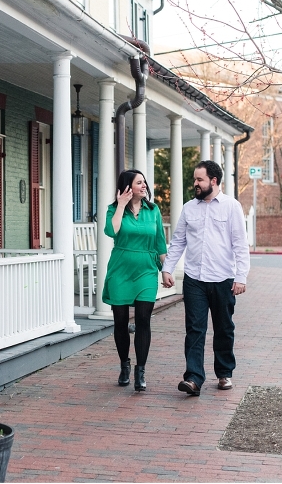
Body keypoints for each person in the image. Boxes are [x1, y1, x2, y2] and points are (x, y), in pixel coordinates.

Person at [161, 160, 250, 397]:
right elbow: (178, 240)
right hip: (194, 279)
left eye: (199, 179)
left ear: (213, 180)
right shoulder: (189, 207)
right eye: (194, 179)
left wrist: (241, 277)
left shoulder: (231, 207)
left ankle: (224, 373)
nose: (195, 184)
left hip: (223, 279)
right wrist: (167, 268)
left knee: (223, 328)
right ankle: (193, 378)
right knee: (195, 329)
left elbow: (240, 244)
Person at [102, 169, 168, 391]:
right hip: (121, 270)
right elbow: (112, 231)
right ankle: (124, 365)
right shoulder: (114, 209)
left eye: (144, 182)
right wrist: (121, 205)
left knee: (143, 319)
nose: (144, 186)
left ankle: (141, 371)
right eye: (139, 182)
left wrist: (166, 270)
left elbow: (160, 242)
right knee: (120, 321)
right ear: (128, 187)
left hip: (147, 270)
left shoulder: (153, 210)